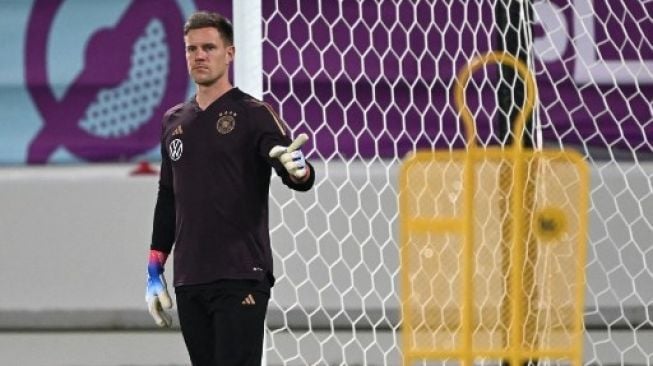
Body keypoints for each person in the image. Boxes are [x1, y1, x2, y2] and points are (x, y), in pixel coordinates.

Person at [144, 11, 315, 366]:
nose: (200, 55)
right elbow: (168, 197)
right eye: (192, 49)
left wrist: (299, 171)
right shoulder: (174, 121)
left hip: (240, 275)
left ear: (230, 53)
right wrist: (154, 270)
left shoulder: (254, 114)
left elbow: (287, 163)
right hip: (189, 278)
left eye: (209, 47)